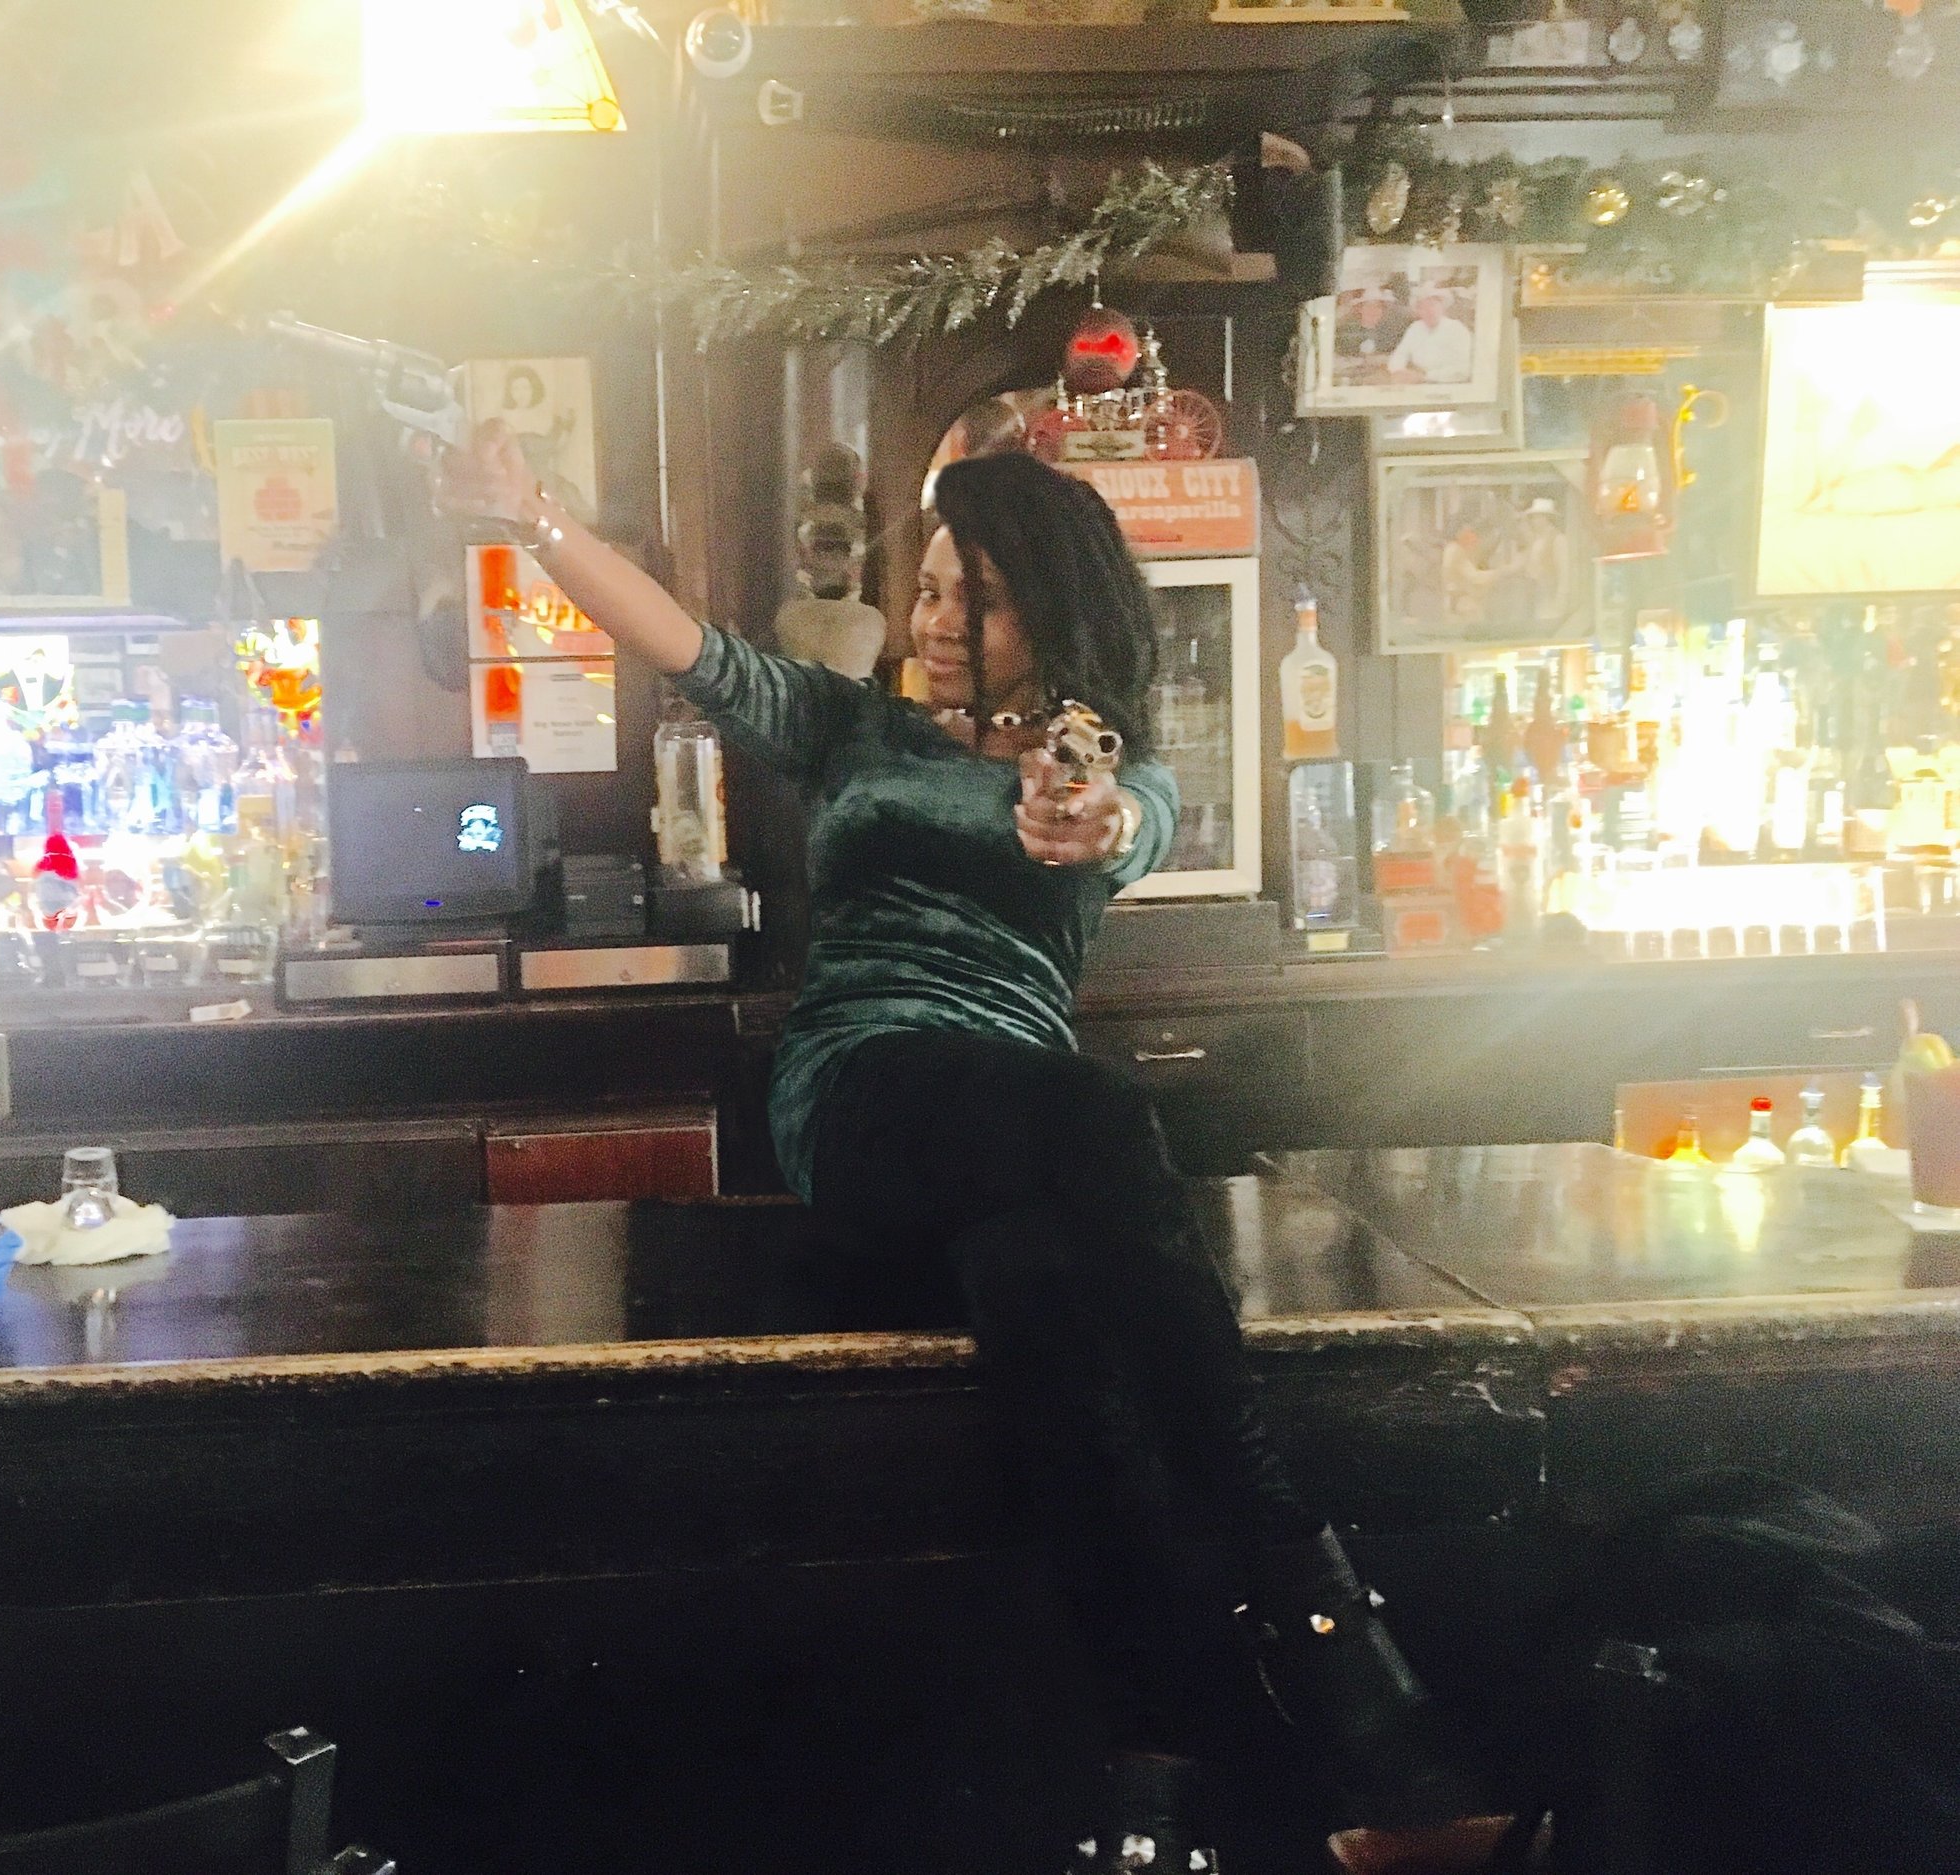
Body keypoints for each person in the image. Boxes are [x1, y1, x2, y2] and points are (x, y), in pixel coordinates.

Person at [442, 424, 1507, 1875]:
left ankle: (1158, 1781)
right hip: (865, 1091)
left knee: (1044, 1294)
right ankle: (1325, 1617)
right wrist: (539, 518)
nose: (934, 620)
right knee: (1105, 1110)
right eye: (929, 589)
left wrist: (1096, 810)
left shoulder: (1116, 775)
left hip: (1018, 1135)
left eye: (973, 599)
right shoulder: (853, 729)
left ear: (1051, 615)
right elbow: (688, 646)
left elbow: (1113, 823)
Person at [1385, 283, 1476, 388]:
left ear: (1442, 307)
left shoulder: (1457, 329)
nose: (1429, 311)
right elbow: (1400, 354)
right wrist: (1398, 370)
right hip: (1418, 383)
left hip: (1450, 386)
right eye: (1423, 307)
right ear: (1418, 311)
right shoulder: (1415, 328)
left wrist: (1425, 377)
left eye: (1433, 305)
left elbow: (1463, 369)